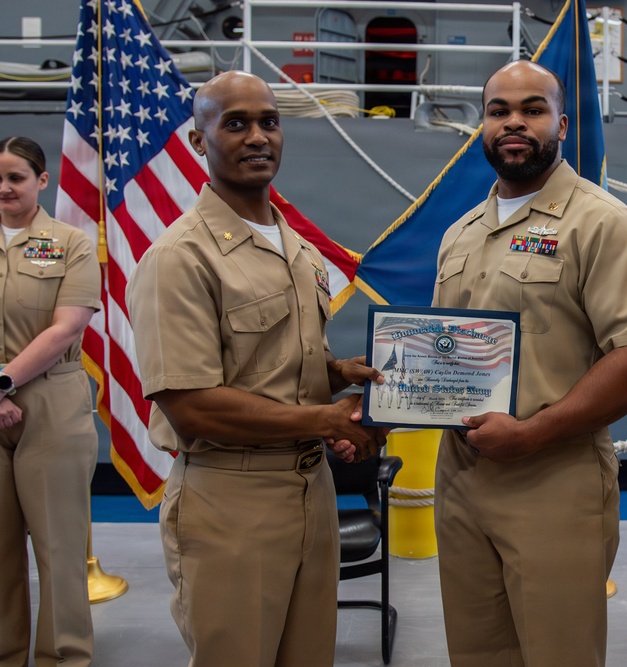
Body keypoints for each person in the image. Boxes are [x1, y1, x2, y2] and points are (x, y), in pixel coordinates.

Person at [125, 71, 386, 667]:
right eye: (234, 123)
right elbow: (190, 405)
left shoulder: (293, 245)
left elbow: (279, 364)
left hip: (311, 492)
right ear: (199, 141)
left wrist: (342, 372)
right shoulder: (178, 258)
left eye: (269, 121)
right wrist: (329, 419)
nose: (257, 136)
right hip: (230, 498)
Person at [429, 60, 627, 666]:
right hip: (460, 478)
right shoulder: (460, 233)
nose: (514, 122)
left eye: (532, 109)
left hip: (553, 478)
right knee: (477, 653)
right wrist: (379, 406)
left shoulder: (603, 224)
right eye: (498, 111)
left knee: (558, 654)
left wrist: (532, 432)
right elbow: (439, 356)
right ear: (482, 128)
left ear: (561, 124)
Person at [0, 136, 101, 667]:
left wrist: (2, 383)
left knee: (59, 547)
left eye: (16, 177)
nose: (4, 187)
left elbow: (66, 329)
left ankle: (65, 657)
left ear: (41, 181)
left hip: (52, 403)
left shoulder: (71, 244)